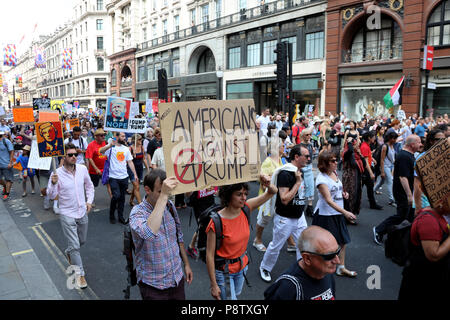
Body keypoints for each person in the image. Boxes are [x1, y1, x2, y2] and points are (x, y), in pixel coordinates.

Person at [207, 176, 278, 300]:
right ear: (228, 195)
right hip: (224, 273)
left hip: (242, 268)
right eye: (239, 194)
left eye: (245, 194)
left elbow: (272, 192)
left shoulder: (246, 208)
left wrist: (267, 183)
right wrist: (213, 284)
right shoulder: (216, 222)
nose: (244, 197)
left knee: (235, 295)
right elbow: (209, 255)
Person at [129, 169, 193, 300]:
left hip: (176, 279)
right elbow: (149, 233)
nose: (166, 196)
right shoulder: (137, 213)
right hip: (153, 285)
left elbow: (178, 237)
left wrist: (186, 264)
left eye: (166, 192)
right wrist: (164, 195)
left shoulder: (169, 206)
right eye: (160, 191)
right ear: (147, 190)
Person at [47, 143, 94, 289]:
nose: (74, 157)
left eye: (76, 154)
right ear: (64, 157)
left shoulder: (82, 169)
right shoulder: (57, 174)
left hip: (82, 212)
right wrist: (54, 184)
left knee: (82, 241)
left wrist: (89, 201)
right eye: (70, 155)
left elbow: (89, 186)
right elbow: (51, 195)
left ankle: (69, 252)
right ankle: (80, 275)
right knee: (75, 246)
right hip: (67, 214)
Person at [259, 145, 310, 283]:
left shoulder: (299, 171)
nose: (309, 158)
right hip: (285, 218)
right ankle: (265, 267)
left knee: (303, 245)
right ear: (296, 157)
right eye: (306, 155)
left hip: (299, 216)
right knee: (276, 245)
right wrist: (298, 183)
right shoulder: (286, 173)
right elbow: (284, 199)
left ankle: (303, 270)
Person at [312, 151, 357, 277]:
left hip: (337, 213)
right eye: (332, 161)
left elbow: (337, 188)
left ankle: (341, 267)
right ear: (324, 164)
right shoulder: (321, 179)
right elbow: (328, 200)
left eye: (336, 160)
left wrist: (343, 194)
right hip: (326, 215)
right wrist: (346, 212)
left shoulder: (334, 173)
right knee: (324, 244)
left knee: (342, 241)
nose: (336, 162)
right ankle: (317, 268)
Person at [264, 226, 338, 300]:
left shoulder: (325, 272)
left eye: (337, 252)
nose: (337, 261)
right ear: (307, 258)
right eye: (329, 256)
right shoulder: (288, 287)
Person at [373, 135, 423, 245]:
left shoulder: (408, 155)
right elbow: (403, 177)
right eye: (419, 142)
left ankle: (404, 239)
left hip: (405, 191)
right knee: (401, 215)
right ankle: (379, 230)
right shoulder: (405, 156)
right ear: (412, 144)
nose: (421, 144)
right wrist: (410, 196)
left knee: (409, 216)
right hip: (402, 192)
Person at [398, 204, 450, 300]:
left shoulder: (441, 214)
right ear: (441, 201)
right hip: (422, 280)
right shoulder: (428, 219)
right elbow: (433, 255)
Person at [253, 137, 284, 252]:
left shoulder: (280, 160)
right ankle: (257, 240)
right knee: (263, 220)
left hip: (278, 195)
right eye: (282, 146)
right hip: (267, 197)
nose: (283, 147)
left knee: (282, 218)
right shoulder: (268, 162)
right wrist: (269, 180)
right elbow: (261, 180)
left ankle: (291, 243)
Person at [99, 132, 138, 224]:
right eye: (122, 136)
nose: (124, 138)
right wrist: (109, 145)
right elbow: (101, 151)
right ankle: (111, 215)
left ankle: (121, 217)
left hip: (124, 177)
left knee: (122, 198)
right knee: (116, 195)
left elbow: (130, 162)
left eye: (124, 136)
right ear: (117, 137)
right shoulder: (111, 148)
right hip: (113, 177)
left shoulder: (126, 149)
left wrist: (135, 174)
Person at [360, 131, 383, 210]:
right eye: (373, 137)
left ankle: (372, 204)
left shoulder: (366, 145)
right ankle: (372, 204)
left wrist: (372, 159)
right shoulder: (365, 146)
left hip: (366, 169)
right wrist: (371, 173)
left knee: (368, 187)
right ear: (369, 138)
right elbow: (365, 161)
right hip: (366, 170)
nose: (375, 138)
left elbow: (366, 156)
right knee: (367, 187)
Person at [374, 131, 398, 206]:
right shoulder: (385, 146)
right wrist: (382, 171)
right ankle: (391, 199)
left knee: (382, 181)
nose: (395, 140)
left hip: (391, 166)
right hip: (385, 166)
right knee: (390, 181)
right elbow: (382, 159)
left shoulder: (392, 145)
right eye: (394, 139)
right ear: (391, 139)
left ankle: (373, 190)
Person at [342, 137, 364, 216]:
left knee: (356, 195)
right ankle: (347, 214)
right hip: (349, 177)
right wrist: (349, 142)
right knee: (350, 195)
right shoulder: (347, 153)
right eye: (357, 144)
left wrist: (360, 154)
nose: (358, 146)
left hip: (356, 176)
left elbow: (363, 164)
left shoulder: (357, 154)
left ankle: (352, 213)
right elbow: (350, 150)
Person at [128, 134, 149, 207]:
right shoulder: (130, 148)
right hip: (132, 169)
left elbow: (144, 159)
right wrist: (132, 154)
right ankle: (140, 204)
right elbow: (127, 160)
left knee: (135, 187)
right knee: (137, 187)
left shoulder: (142, 147)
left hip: (140, 169)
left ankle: (131, 200)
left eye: (141, 139)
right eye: (139, 139)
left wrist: (148, 169)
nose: (141, 141)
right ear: (135, 140)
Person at [299, 128, 315, 216]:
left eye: (310, 134)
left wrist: (311, 165)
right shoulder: (299, 146)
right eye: (307, 135)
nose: (309, 136)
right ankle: (300, 206)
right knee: (301, 188)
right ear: (302, 136)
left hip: (308, 167)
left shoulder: (310, 145)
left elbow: (311, 157)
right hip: (301, 167)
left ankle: (310, 207)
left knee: (310, 186)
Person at [0, 131, 14, 200]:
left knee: (8, 179)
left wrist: (10, 162)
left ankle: (7, 193)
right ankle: (5, 186)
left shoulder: (6, 141)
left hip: (6, 164)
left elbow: (11, 151)